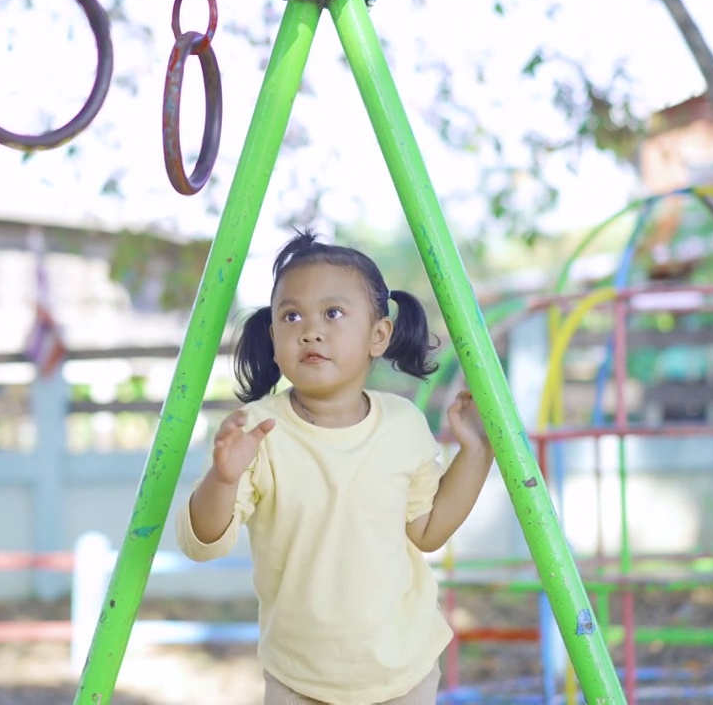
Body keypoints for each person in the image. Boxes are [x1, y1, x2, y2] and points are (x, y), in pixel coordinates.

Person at [174, 229, 496, 705]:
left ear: (379, 334)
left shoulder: (403, 425)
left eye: (333, 313)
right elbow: (201, 543)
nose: (311, 329)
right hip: (299, 677)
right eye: (291, 315)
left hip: (401, 671)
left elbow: (427, 530)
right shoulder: (256, 430)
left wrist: (475, 453)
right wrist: (223, 479)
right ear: (274, 337)